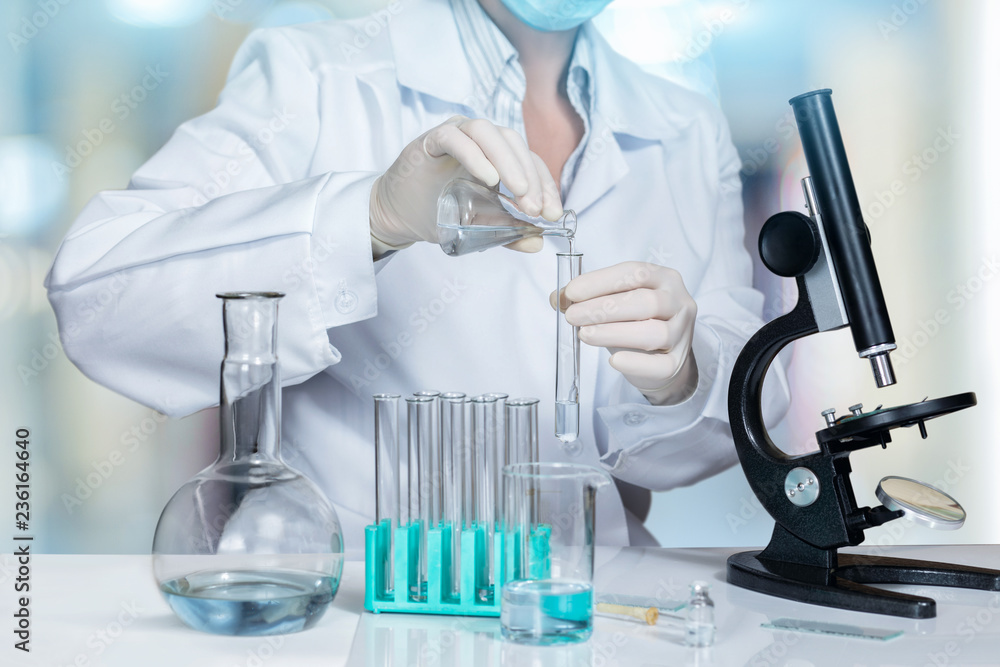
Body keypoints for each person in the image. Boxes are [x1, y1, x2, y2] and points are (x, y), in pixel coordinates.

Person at [45, 0, 790, 554]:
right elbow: (98, 294)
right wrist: (368, 218)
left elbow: (716, 422)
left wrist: (685, 372)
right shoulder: (318, 76)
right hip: (356, 600)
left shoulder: (686, 126)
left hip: (585, 596)